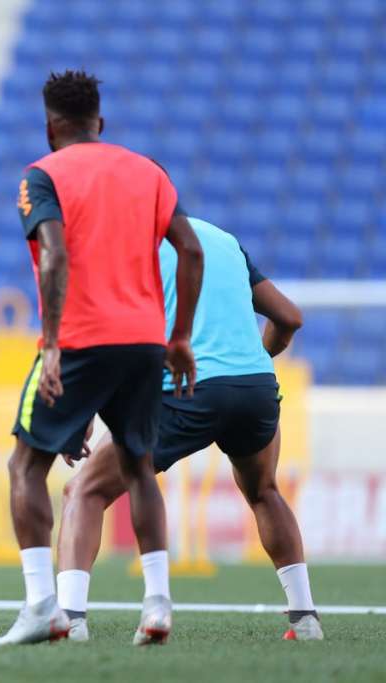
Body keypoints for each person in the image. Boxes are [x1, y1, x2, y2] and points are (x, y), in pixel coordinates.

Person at [0, 70, 204, 647]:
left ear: (50, 126)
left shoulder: (42, 175)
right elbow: (191, 248)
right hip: (144, 341)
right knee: (139, 467)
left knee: (26, 466)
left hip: (82, 337)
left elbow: (54, 256)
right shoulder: (149, 171)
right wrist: (179, 336)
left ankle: (43, 606)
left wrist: (54, 344)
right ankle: (157, 603)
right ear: (99, 123)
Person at [56, 217, 322, 642]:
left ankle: (68, 617)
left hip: (184, 390)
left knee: (85, 490)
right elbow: (289, 317)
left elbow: (103, 338)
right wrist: (250, 366)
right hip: (254, 388)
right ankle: (305, 617)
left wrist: (81, 417)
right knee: (264, 492)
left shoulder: (124, 241)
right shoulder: (223, 239)